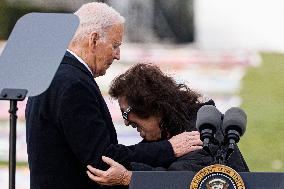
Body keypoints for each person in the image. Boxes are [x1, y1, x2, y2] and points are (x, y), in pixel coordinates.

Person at [25, 3, 202, 189]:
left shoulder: (55, 71)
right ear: (94, 40)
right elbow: (102, 160)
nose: (117, 55)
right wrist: (168, 148)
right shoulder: (73, 83)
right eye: (115, 45)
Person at [86, 63, 249, 186]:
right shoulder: (167, 131)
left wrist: (127, 177)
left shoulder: (204, 131)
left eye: (126, 112)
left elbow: (182, 180)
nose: (126, 122)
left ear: (154, 108)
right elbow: (146, 159)